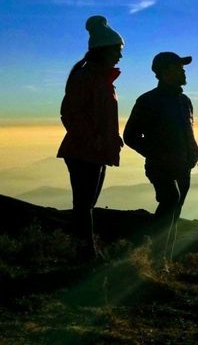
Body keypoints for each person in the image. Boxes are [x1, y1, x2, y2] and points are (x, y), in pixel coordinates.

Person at [123, 52, 198, 266]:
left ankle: (163, 261)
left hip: (184, 166)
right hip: (160, 166)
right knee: (170, 202)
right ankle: (151, 257)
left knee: (174, 213)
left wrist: (194, 152)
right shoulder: (148, 100)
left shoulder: (184, 101)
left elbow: (186, 131)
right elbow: (130, 136)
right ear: (165, 72)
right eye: (179, 67)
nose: (183, 71)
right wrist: (156, 153)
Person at [57, 15, 124, 260]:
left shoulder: (102, 80)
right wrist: (94, 138)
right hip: (83, 151)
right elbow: (70, 113)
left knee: (87, 203)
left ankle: (83, 251)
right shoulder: (87, 78)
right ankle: (84, 254)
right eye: (117, 50)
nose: (120, 55)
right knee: (84, 205)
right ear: (103, 50)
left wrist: (112, 137)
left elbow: (95, 115)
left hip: (95, 150)